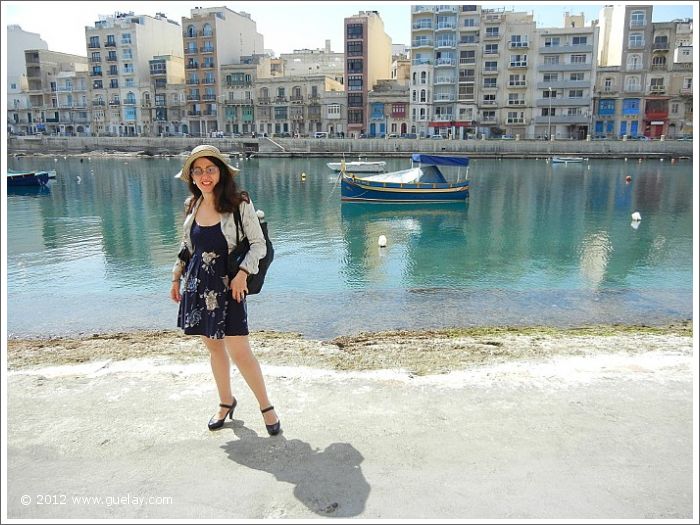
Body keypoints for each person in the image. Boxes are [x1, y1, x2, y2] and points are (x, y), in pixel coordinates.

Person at [170, 144, 281, 435]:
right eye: (198, 170)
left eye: (210, 169)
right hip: (197, 287)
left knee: (240, 351)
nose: (205, 175)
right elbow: (188, 247)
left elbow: (259, 245)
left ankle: (266, 407)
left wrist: (243, 273)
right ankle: (225, 401)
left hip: (230, 286)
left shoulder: (238, 203)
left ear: (220, 171)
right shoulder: (191, 206)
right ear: (191, 176)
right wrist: (175, 277)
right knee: (213, 347)